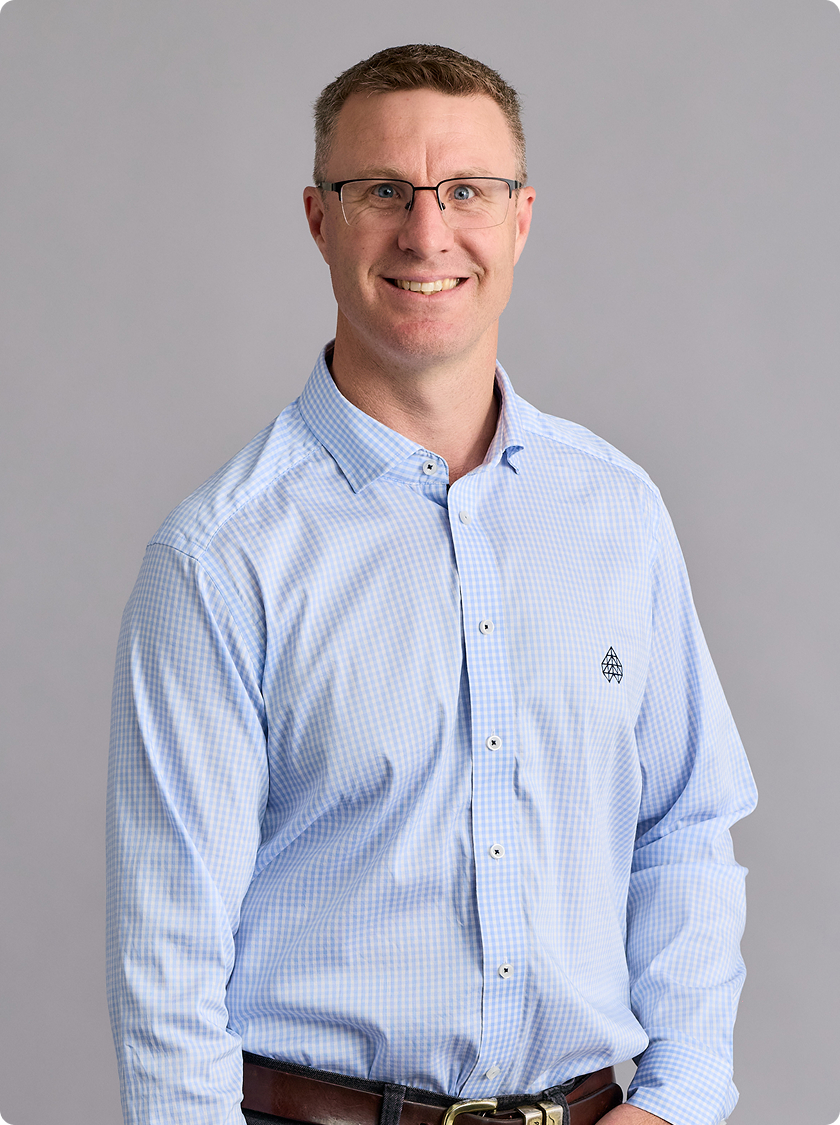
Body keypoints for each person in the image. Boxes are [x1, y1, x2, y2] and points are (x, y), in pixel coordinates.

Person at [106, 43, 757, 1125]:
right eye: (381, 191)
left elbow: (684, 824)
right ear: (319, 220)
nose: (426, 231)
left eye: (466, 190)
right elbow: (168, 963)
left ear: (520, 217)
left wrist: (680, 1098)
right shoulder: (220, 558)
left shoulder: (618, 512)